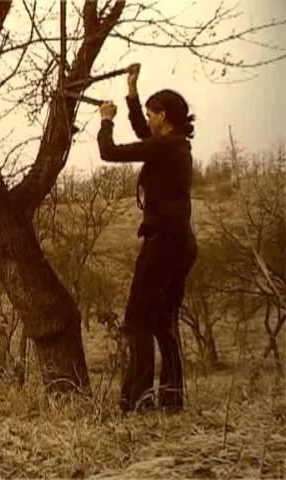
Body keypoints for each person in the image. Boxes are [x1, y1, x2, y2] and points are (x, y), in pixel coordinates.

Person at [96, 63, 198, 413]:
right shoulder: (176, 145)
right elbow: (144, 131)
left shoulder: (166, 147)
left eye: (153, 114)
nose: (148, 121)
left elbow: (109, 152)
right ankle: (172, 399)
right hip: (181, 243)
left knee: (138, 321)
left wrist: (106, 121)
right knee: (163, 322)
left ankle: (137, 400)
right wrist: (132, 91)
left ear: (164, 116)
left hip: (163, 245)